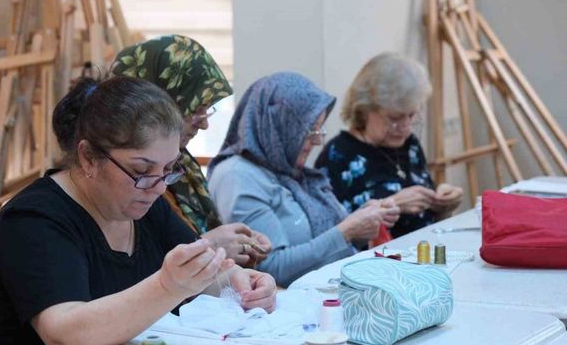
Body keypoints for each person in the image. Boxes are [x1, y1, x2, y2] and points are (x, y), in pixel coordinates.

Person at [0, 76, 276, 345]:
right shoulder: (32, 221)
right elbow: (65, 332)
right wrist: (167, 286)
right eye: (141, 169)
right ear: (89, 157)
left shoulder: (144, 203)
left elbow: (198, 277)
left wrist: (239, 282)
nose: (158, 186)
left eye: (168, 169)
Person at [206, 72, 400, 287]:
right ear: (279, 124)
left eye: (319, 128)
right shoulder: (237, 176)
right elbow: (271, 268)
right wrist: (346, 232)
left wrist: (364, 220)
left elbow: (323, 241)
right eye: (310, 129)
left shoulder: (286, 169)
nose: (317, 140)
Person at [112, 35, 271, 267]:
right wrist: (210, 245)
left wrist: (238, 243)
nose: (204, 124)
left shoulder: (183, 167)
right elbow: (131, 269)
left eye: (208, 110)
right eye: (195, 109)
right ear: (159, 101)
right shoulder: (124, 177)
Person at [315, 52, 463, 239]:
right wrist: (393, 204)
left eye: (411, 116)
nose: (405, 127)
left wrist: (443, 206)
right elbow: (332, 236)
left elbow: (427, 220)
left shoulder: (410, 146)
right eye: (395, 118)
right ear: (364, 109)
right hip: (377, 264)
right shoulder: (337, 156)